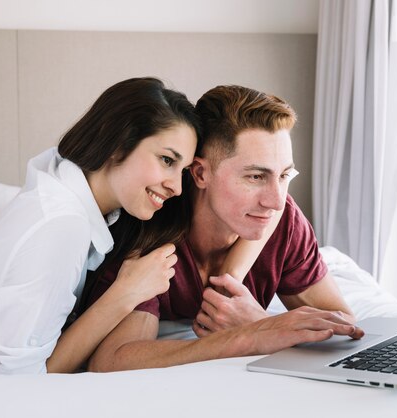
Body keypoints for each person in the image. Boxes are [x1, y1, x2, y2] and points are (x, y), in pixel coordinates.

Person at [0, 77, 202, 374]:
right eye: (166, 160)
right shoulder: (61, 227)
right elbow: (19, 376)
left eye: (182, 171)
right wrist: (125, 293)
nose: (177, 188)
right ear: (118, 143)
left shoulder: (64, 178)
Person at [85, 85, 364, 372]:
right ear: (201, 173)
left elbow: (345, 324)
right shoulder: (151, 228)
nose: (276, 201)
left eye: (284, 175)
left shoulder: (285, 222)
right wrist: (246, 337)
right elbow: (113, 359)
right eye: (256, 176)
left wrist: (260, 324)